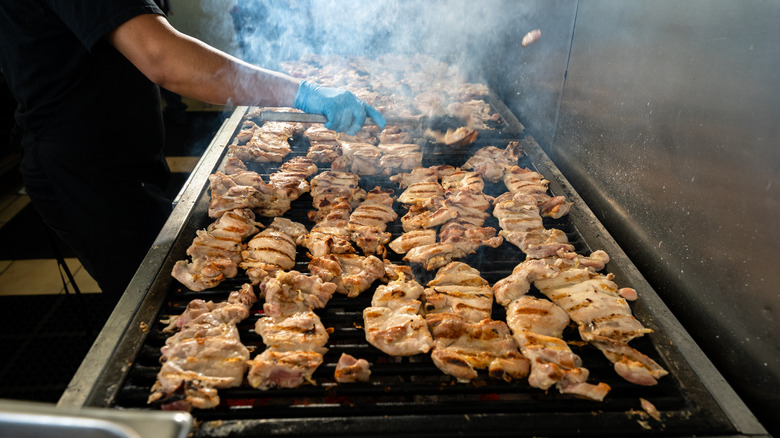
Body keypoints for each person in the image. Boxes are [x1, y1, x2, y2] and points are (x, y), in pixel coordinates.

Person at [0, 1, 385, 304]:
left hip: (111, 158)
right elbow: (164, 59)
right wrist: (300, 92)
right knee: (147, 294)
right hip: (82, 170)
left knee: (167, 275)